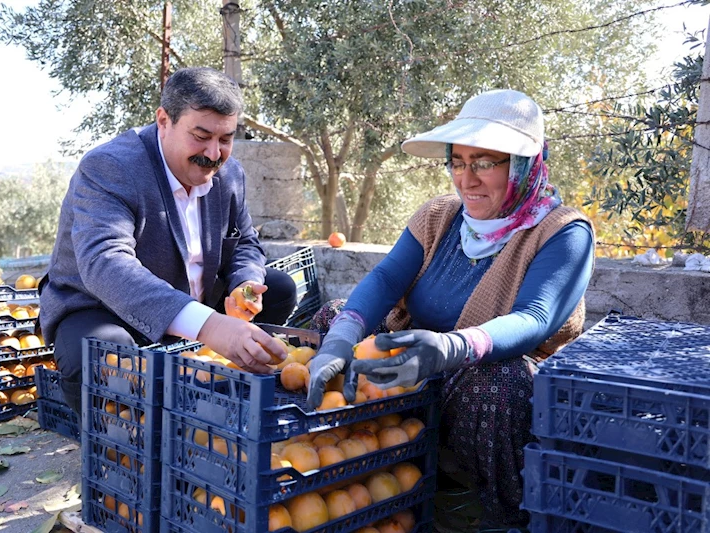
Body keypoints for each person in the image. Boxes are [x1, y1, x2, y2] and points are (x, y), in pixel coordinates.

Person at [306, 89, 594, 529]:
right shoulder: (439, 216)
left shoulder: (562, 232)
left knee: (500, 380)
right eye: (457, 162)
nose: (467, 179)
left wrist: (449, 348)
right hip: (417, 365)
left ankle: (496, 513)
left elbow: (534, 319)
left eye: (485, 162)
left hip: (477, 378)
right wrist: (342, 338)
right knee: (335, 315)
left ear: (524, 166)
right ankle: (353, 461)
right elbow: (385, 280)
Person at [39, 67, 297, 414]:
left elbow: (246, 241)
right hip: (105, 309)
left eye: (225, 139)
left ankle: (203, 369)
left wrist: (245, 284)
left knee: (278, 287)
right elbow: (105, 263)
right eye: (201, 135)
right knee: (103, 356)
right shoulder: (110, 167)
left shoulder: (229, 174)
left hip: (193, 301)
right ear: (164, 121)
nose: (214, 152)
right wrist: (211, 325)